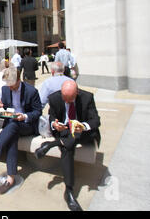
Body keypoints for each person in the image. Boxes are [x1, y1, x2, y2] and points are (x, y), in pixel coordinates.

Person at [34, 80, 101, 211]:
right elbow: (52, 116)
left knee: (72, 139)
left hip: (82, 132)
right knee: (67, 147)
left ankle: (51, 144)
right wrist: (55, 124)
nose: (67, 103)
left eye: (70, 100)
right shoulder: (54, 98)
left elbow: (96, 120)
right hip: (64, 131)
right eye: (65, 99)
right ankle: (69, 191)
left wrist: (83, 126)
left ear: (77, 92)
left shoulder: (87, 97)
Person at [0, 67, 42, 194]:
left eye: (12, 85)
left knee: (13, 126)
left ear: (18, 80)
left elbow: (38, 111)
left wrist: (25, 116)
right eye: (8, 84)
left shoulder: (31, 91)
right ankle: (10, 178)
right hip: (12, 124)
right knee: (12, 134)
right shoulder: (5, 89)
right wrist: (0, 105)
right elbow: (5, 108)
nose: (10, 87)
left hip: (27, 125)